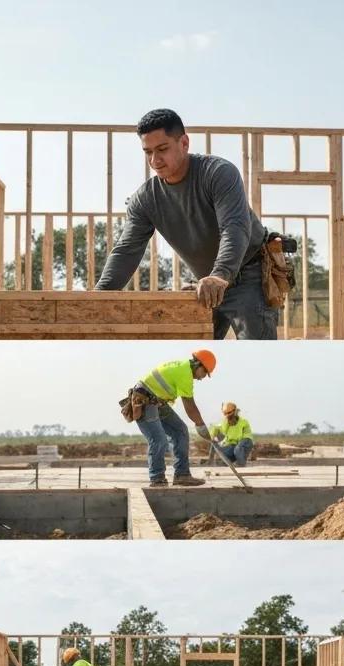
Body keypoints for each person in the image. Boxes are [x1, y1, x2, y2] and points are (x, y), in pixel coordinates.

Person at [96, 108, 279, 340]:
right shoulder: (146, 199)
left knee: (257, 353)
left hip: (248, 273)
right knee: (191, 354)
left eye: (162, 149)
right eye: (148, 152)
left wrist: (220, 275)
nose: (154, 160)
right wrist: (98, 297)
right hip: (206, 282)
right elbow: (126, 252)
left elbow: (234, 227)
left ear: (184, 143)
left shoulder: (218, 173)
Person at [128, 351, 216, 487]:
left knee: (180, 431)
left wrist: (200, 424)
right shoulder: (184, 373)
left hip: (158, 402)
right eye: (204, 373)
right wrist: (200, 425)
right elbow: (190, 406)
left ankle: (182, 475)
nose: (202, 378)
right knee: (158, 440)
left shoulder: (184, 368)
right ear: (198, 365)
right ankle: (157, 478)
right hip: (145, 400)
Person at [211, 402, 254, 466]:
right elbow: (215, 427)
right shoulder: (224, 422)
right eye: (225, 414)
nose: (228, 415)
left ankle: (241, 464)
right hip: (234, 445)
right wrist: (213, 436)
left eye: (229, 413)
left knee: (238, 449)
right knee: (221, 454)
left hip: (245, 441)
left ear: (235, 411)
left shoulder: (243, 422)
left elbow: (239, 437)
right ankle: (230, 461)